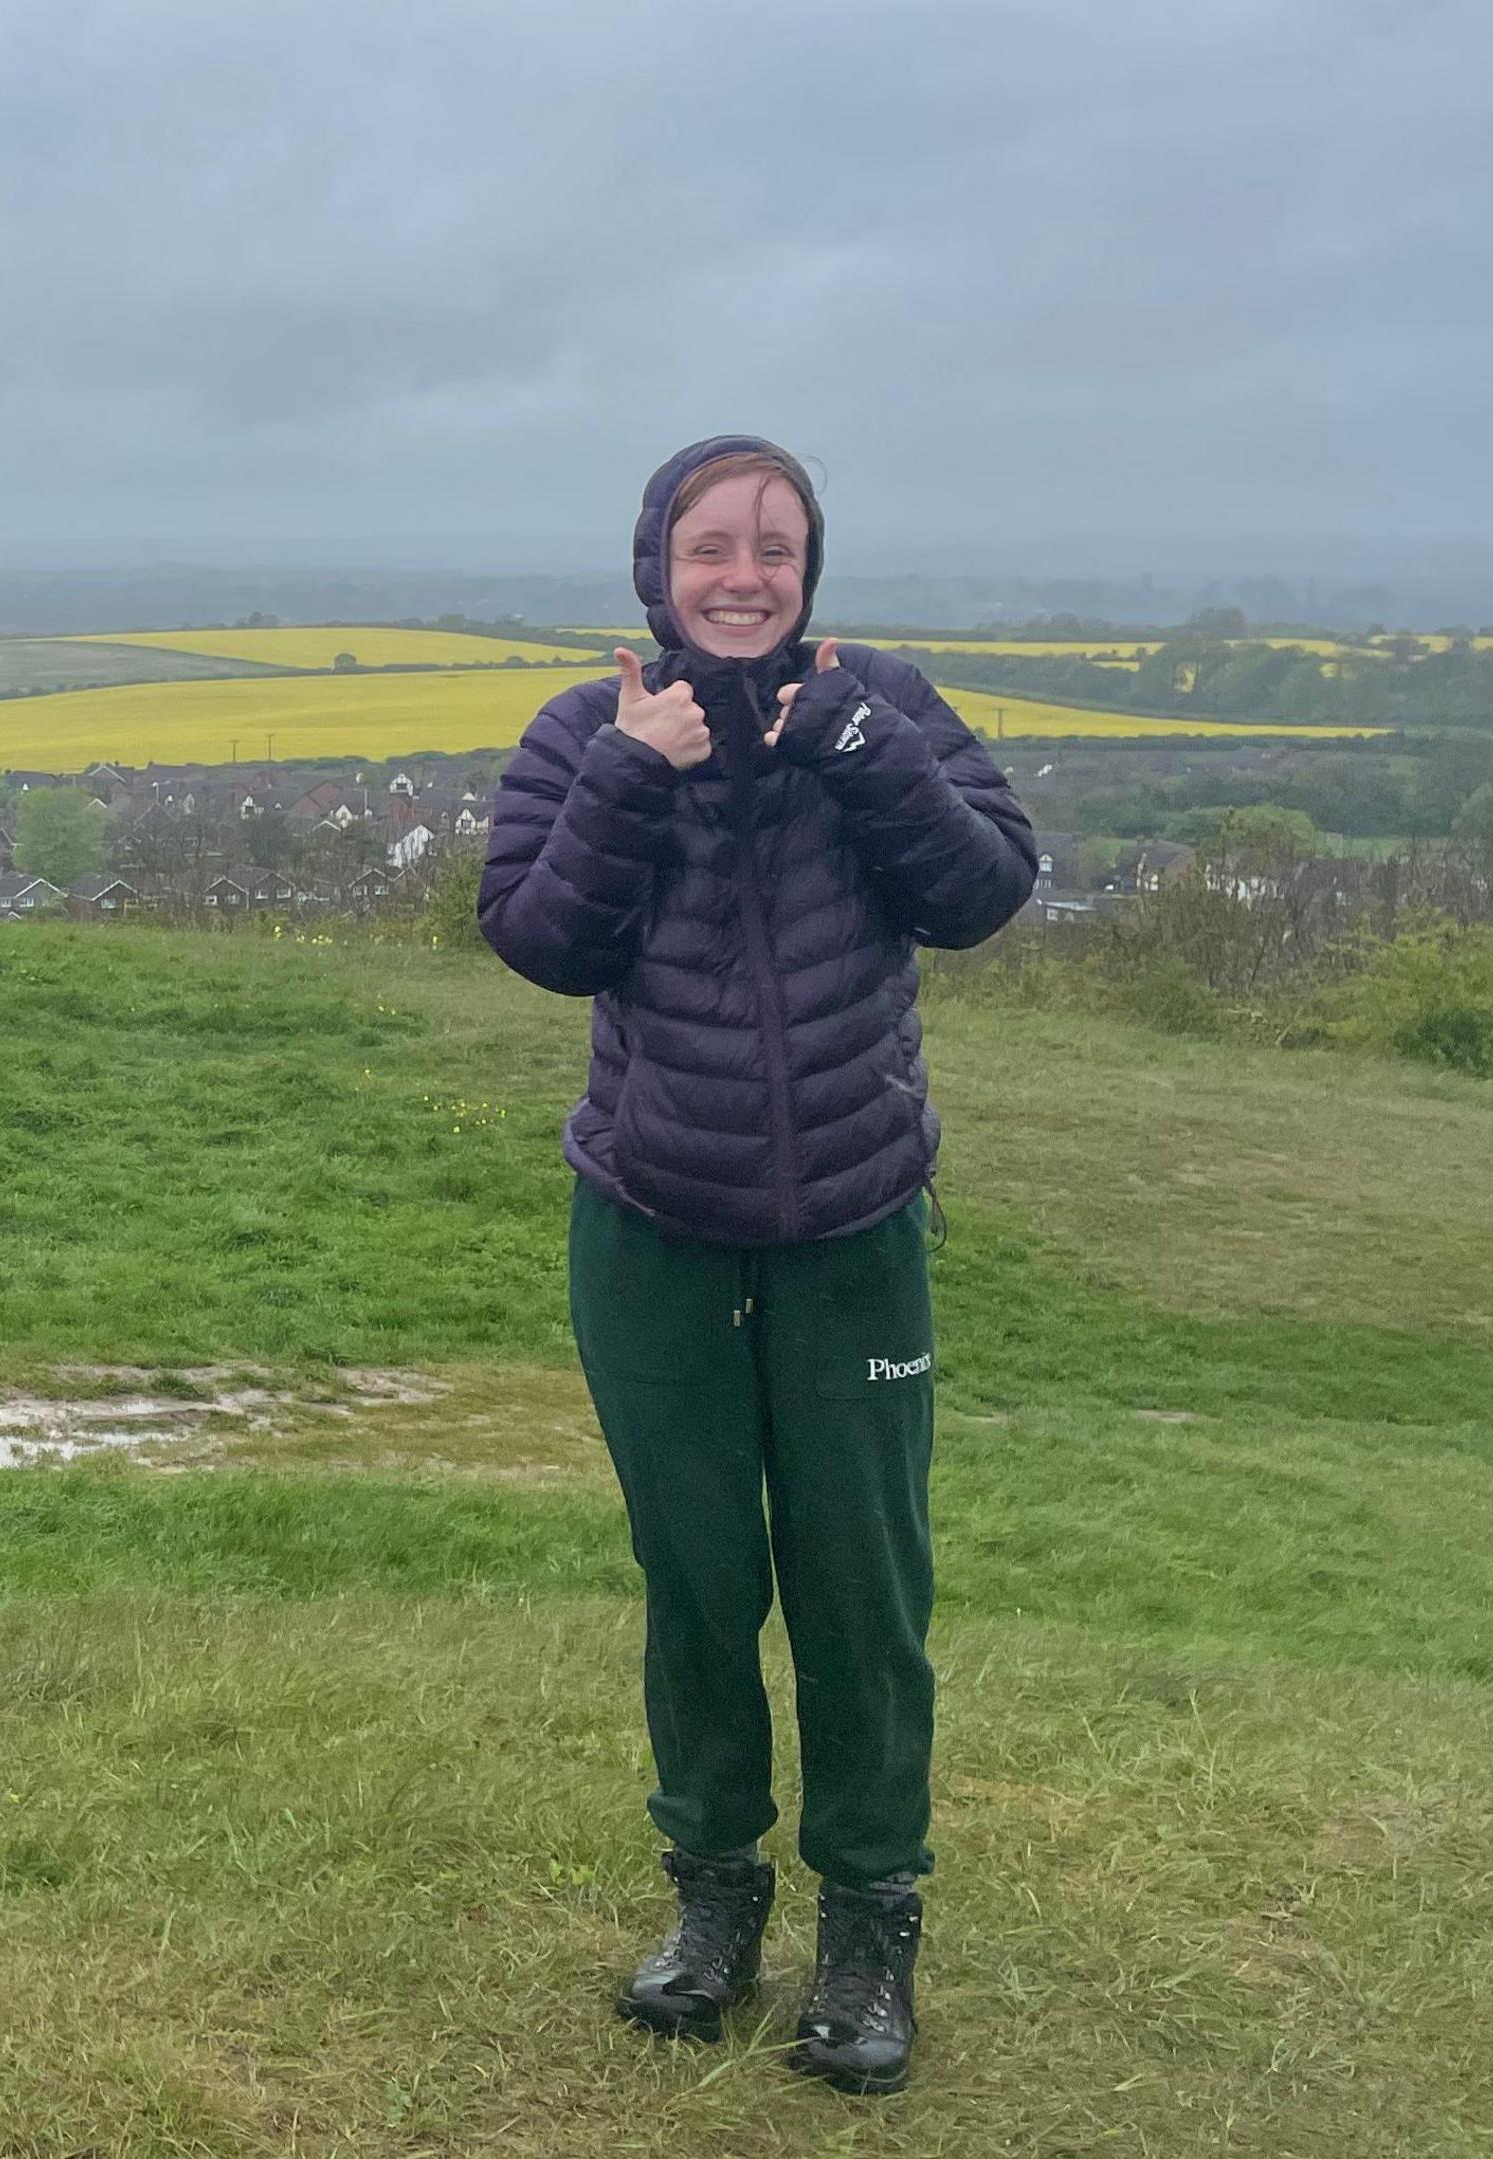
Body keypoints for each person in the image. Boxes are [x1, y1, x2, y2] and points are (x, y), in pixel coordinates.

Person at [476, 435, 1036, 2095]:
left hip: (855, 1230)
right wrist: (633, 774)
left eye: (775, 546)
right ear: (657, 564)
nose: (744, 573)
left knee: (865, 1587)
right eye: (712, 544)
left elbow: (986, 892)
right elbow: (536, 939)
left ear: (810, 568)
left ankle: (869, 1925)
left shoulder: (886, 703)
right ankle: (714, 1902)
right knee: (700, 1578)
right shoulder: (589, 730)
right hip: (652, 1225)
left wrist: (867, 749)